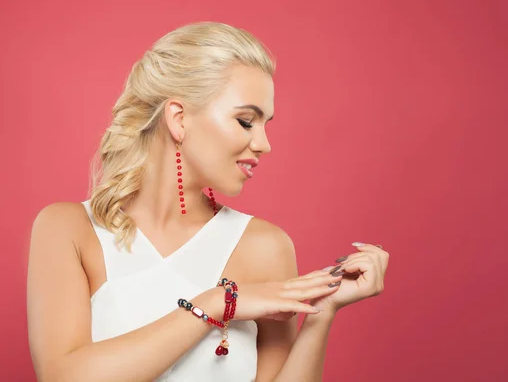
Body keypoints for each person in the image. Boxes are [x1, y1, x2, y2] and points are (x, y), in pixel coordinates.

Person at [27, 21, 390, 382]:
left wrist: (320, 315)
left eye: (266, 125)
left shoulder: (265, 247)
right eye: (246, 121)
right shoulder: (68, 229)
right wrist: (215, 304)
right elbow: (63, 375)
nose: (264, 144)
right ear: (179, 118)